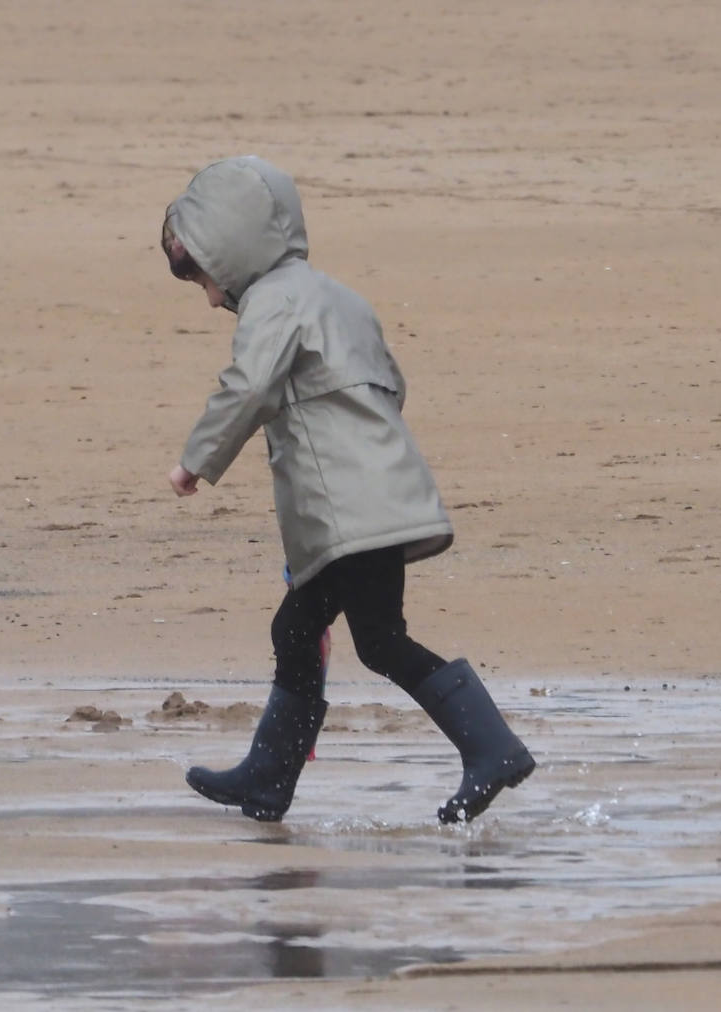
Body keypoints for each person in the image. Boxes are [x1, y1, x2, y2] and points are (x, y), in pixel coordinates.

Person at [160, 155, 534, 825]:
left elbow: (249, 386)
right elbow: (392, 383)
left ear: (233, 248)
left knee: (379, 641)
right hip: (381, 495)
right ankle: (266, 781)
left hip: (351, 513)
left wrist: (196, 461)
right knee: (300, 628)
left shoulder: (275, 302)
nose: (210, 297)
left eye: (201, 274)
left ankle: (492, 749)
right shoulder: (340, 297)